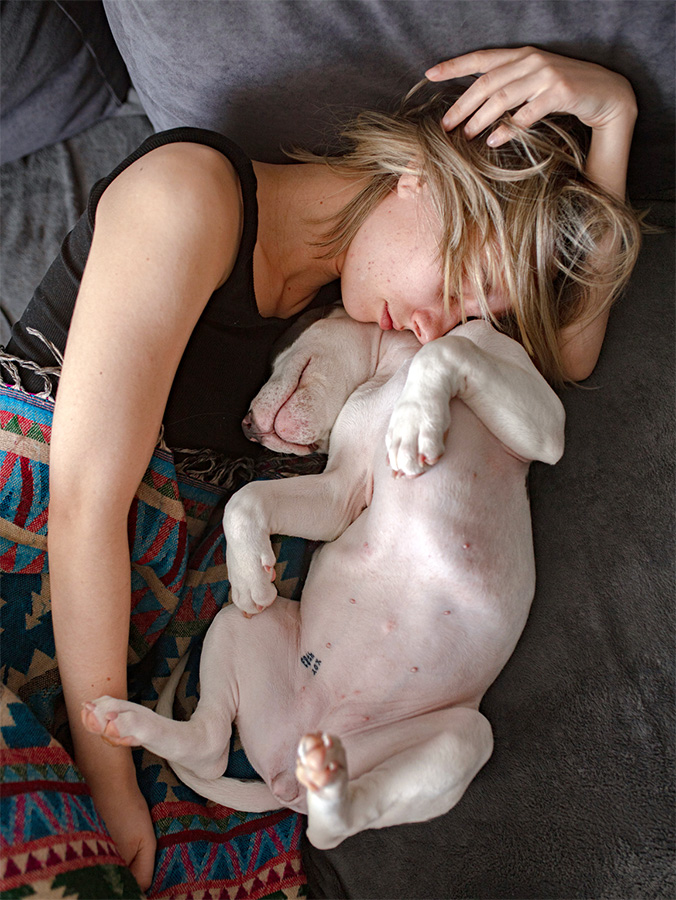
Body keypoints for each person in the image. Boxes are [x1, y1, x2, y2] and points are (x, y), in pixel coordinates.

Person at [0, 47, 640, 889]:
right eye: (457, 283)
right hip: (35, 545)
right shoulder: (187, 195)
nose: (434, 330)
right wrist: (110, 783)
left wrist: (614, 121)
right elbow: (80, 504)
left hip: (156, 632)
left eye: (473, 317)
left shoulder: (350, 311)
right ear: (417, 171)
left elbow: (574, 355)